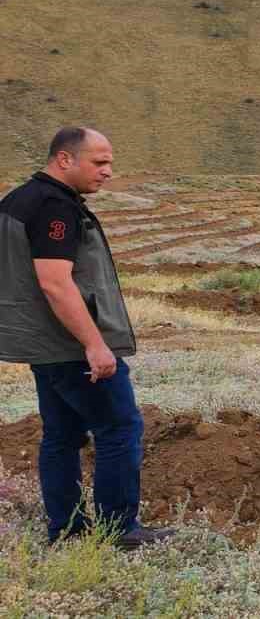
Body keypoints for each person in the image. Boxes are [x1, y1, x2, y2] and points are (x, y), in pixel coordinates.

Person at [0, 128, 172, 550]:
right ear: (64, 160)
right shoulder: (55, 208)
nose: (109, 172)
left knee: (61, 435)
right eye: (98, 162)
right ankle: (121, 531)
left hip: (40, 342)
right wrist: (95, 344)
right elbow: (55, 284)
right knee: (120, 426)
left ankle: (67, 531)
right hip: (67, 343)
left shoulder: (18, 200)